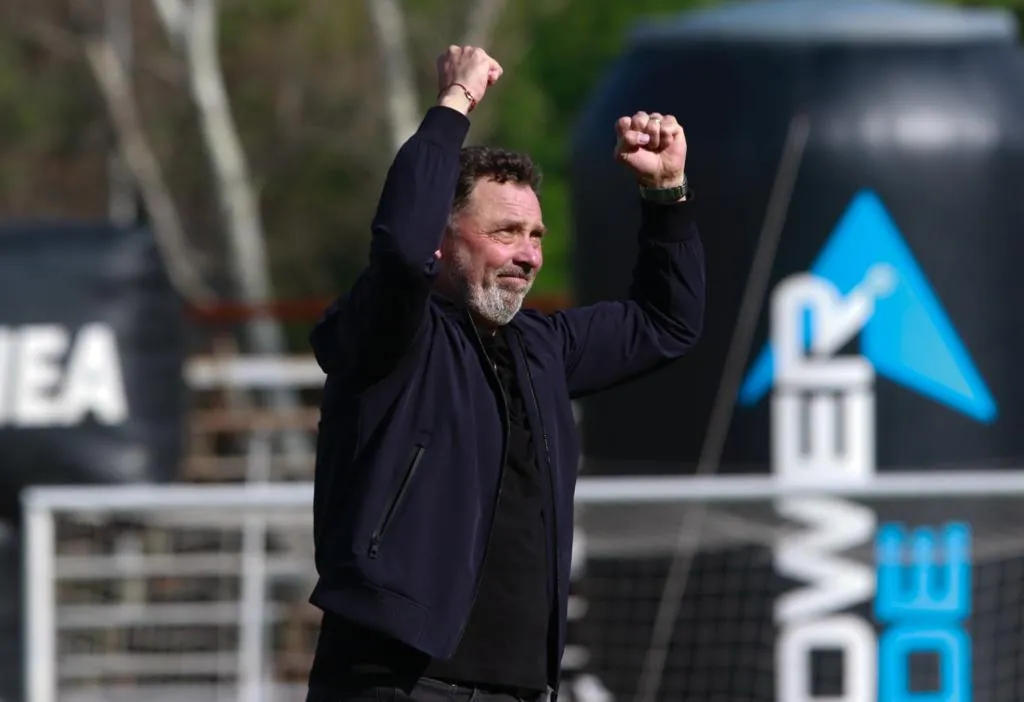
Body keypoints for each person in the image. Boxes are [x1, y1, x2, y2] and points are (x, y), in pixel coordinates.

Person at [306, 45, 705, 702]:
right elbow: (402, 252)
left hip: (520, 687)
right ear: (444, 237)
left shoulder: (542, 347)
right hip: (400, 682)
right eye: (506, 233)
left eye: (537, 236)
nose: (527, 256)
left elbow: (668, 325)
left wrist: (665, 194)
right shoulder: (395, 338)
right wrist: (453, 105)